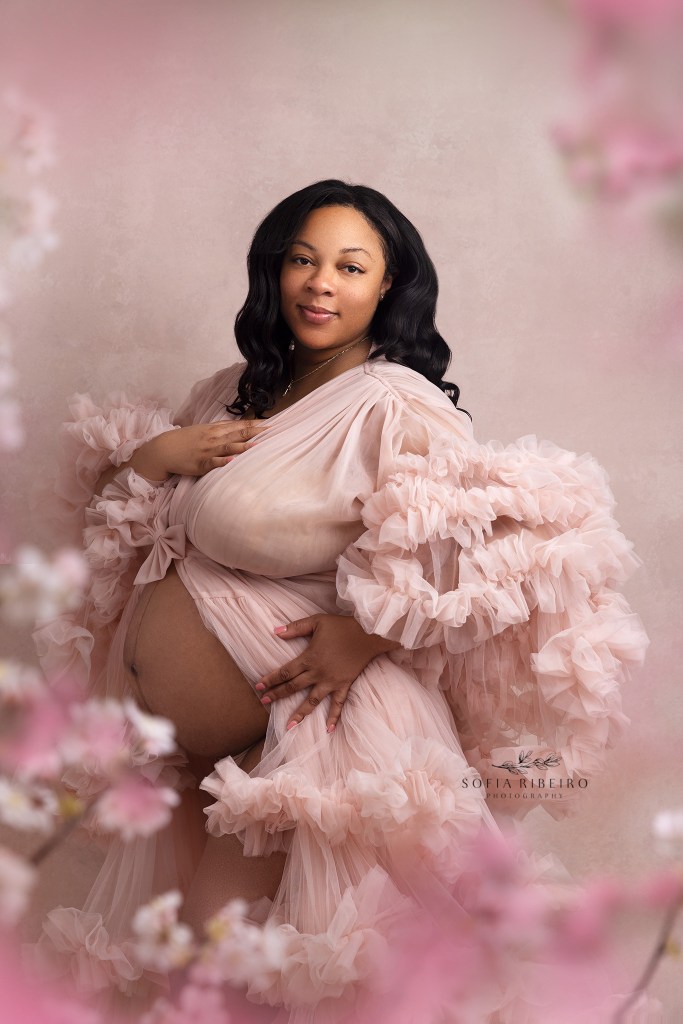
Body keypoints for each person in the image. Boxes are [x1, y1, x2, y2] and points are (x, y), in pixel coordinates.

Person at [33, 180, 649, 1022]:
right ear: (273, 270)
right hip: (215, 764)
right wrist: (158, 454)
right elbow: (125, 539)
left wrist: (366, 634)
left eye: (350, 267)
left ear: (387, 286)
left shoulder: (394, 405)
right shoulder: (229, 392)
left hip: (313, 741)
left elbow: (488, 554)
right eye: (302, 260)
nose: (320, 283)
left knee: (259, 979)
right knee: (210, 983)